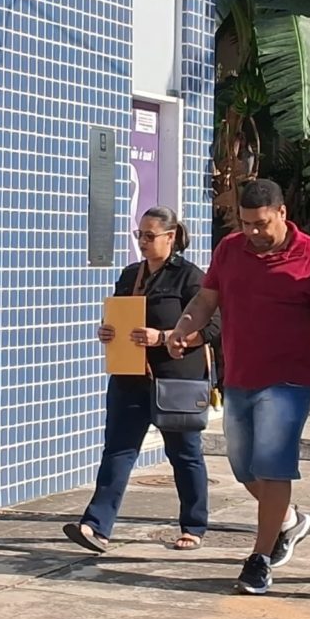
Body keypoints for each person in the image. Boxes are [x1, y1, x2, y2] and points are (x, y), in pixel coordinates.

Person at [167, 179, 310, 595]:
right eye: (246, 223)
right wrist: (183, 327)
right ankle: (289, 520)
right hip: (241, 375)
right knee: (243, 466)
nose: (253, 232)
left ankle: (259, 560)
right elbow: (205, 300)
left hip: (289, 380)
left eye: (261, 223)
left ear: (282, 213)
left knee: (272, 465)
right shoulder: (230, 249)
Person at [63, 206, 221, 553]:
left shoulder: (190, 277)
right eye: (140, 235)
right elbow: (119, 315)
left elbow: (213, 326)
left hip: (174, 381)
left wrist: (163, 337)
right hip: (129, 376)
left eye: (150, 236)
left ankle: (194, 525)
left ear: (171, 237)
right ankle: (96, 526)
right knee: (118, 451)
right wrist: (108, 331)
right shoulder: (130, 275)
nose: (143, 242)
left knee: (184, 454)